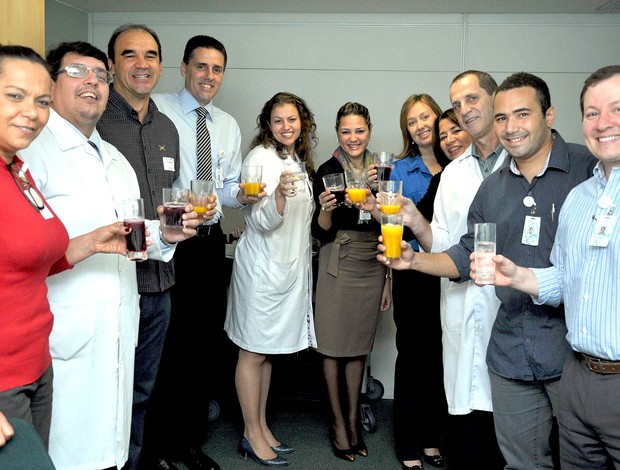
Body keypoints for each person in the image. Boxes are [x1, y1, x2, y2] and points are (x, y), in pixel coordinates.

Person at [379, 72, 595, 470]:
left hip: (571, 349)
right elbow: (461, 251)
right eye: (503, 118)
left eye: (521, 114)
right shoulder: (487, 185)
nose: (510, 127)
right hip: (509, 345)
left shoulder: (587, 169)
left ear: (549, 115)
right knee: (518, 457)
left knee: (578, 456)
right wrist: (413, 258)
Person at [18, 41, 199, 470]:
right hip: (65, 326)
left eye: (100, 76)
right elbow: (22, 251)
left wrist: (167, 233)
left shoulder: (115, 159)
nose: (93, 83)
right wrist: (87, 243)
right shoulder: (32, 154)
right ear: (51, 81)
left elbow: (129, 234)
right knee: (63, 446)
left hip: (119, 317)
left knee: (117, 432)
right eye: (78, 72)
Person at [475, 64, 620, 470]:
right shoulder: (584, 195)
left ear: (548, 117)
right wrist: (518, 276)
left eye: (616, 109)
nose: (603, 123)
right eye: (593, 113)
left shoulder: (575, 166)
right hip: (581, 372)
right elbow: (568, 276)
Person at [0, 43, 134, 450]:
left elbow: (33, 260)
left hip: (36, 364)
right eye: (14, 96)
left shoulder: (17, 170)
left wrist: (92, 242)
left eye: (40, 101)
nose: (32, 112)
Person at [97, 24, 214, 470]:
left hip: (162, 276)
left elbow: (169, 194)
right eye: (130, 55)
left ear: (161, 66)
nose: (142, 64)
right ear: (112, 65)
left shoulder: (167, 127)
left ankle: (140, 461)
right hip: (114, 276)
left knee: (147, 386)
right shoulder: (97, 120)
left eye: (150, 55)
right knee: (111, 387)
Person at [150, 35, 259, 470]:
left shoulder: (228, 125)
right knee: (164, 343)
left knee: (201, 346)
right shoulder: (157, 109)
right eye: (201, 67)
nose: (208, 76)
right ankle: (157, 444)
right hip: (168, 238)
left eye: (216, 69)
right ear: (183, 68)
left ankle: (188, 443)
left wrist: (244, 197)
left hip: (208, 245)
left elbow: (228, 188)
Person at [224, 91, 318, 467]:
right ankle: (250, 433)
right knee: (253, 351)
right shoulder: (260, 159)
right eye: (278, 120)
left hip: (287, 269)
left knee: (267, 355)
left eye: (292, 120)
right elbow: (260, 221)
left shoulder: (295, 158)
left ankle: (261, 428)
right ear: (268, 124)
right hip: (262, 272)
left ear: (302, 123)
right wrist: (278, 195)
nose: (286, 127)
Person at [312, 102, 392, 462]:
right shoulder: (328, 171)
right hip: (337, 259)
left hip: (372, 261)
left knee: (359, 346)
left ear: (369, 131)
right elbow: (321, 231)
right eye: (346, 131)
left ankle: (353, 420)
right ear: (338, 133)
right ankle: (338, 423)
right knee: (331, 345)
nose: (353, 137)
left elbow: (391, 223)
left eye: (359, 130)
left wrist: (388, 278)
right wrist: (325, 209)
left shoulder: (382, 170)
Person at [389, 94, 449, 470]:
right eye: (412, 121)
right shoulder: (399, 168)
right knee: (412, 356)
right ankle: (407, 440)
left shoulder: (459, 162)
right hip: (411, 271)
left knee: (441, 358)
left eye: (425, 116)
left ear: (438, 117)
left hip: (449, 270)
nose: (420, 125)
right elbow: (390, 224)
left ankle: (432, 437)